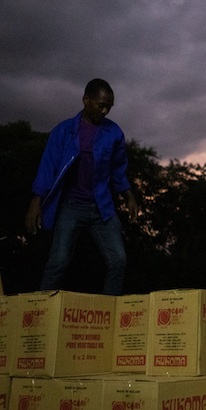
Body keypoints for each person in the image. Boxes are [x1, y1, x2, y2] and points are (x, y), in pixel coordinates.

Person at [26, 78, 138, 296]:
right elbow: (47, 167)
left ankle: (110, 312)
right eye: (101, 105)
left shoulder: (114, 133)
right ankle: (40, 309)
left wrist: (129, 196)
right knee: (58, 260)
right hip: (71, 206)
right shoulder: (63, 131)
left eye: (109, 107)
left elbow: (118, 170)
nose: (105, 111)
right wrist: (35, 202)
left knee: (118, 260)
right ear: (86, 100)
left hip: (101, 208)